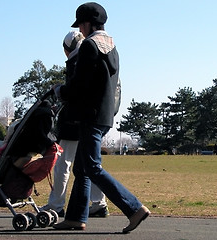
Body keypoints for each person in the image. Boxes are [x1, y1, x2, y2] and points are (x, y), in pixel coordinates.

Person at [52, 2, 150, 233]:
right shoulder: (112, 47)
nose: (81, 31)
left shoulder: (89, 46)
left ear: (87, 24)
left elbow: (79, 85)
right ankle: (76, 217)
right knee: (83, 169)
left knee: (93, 167)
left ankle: (134, 208)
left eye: (81, 26)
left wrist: (61, 90)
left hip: (90, 114)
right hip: (105, 115)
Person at [40, 30, 109, 218]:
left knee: (63, 164)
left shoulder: (75, 60)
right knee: (91, 163)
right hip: (93, 119)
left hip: (73, 122)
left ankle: (56, 204)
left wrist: (59, 90)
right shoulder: (93, 54)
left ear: (66, 48)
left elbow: (74, 92)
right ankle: (99, 202)